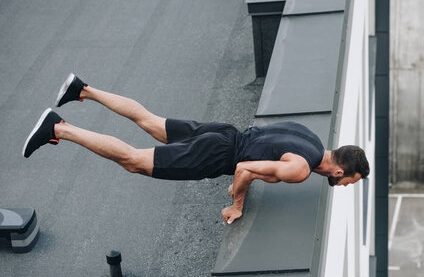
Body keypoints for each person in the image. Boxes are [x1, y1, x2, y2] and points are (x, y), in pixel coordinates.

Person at [23, 74, 370, 224]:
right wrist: (236, 203)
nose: (342, 186)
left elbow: (264, 142)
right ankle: (58, 128)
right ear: (340, 171)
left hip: (226, 133)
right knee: (134, 161)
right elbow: (244, 170)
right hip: (219, 155)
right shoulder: (301, 169)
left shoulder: (308, 135)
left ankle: (82, 90)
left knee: (150, 121)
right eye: (348, 182)